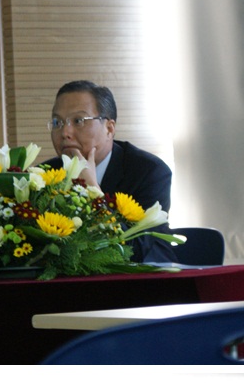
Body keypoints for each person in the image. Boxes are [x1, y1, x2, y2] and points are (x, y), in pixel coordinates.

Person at [42, 80, 178, 263]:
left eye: (78, 121)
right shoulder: (43, 176)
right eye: (57, 122)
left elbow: (136, 250)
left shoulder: (149, 172)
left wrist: (92, 190)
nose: (65, 132)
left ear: (109, 128)